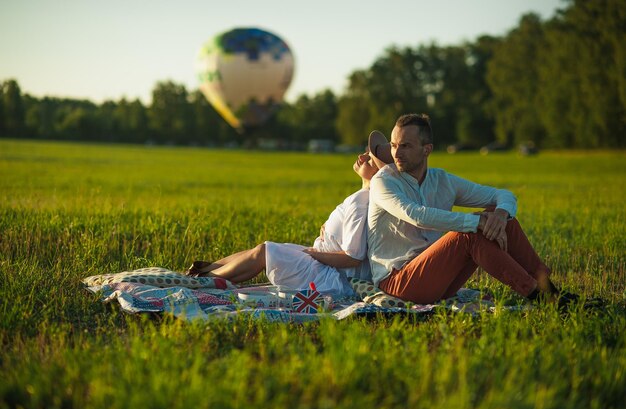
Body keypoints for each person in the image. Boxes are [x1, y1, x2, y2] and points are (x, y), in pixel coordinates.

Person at [366, 113, 560, 304]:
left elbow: (502, 195)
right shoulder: (383, 181)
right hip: (398, 282)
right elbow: (415, 215)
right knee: (469, 233)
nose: (396, 153)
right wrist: (476, 222)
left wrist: (500, 215)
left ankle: (550, 289)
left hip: (439, 279)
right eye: (393, 145)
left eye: (405, 146)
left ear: (427, 149)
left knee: (500, 217)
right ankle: (541, 297)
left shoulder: (441, 180)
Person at [185, 151, 379, 298]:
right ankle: (207, 269)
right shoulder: (362, 197)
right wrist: (329, 230)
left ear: (379, 173)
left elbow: (353, 257)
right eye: (366, 152)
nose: (362, 157)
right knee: (266, 248)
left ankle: (205, 281)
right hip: (322, 264)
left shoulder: (361, 201)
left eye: (370, 159)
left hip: (330, 277)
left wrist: (315, 253)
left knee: (265, 252)